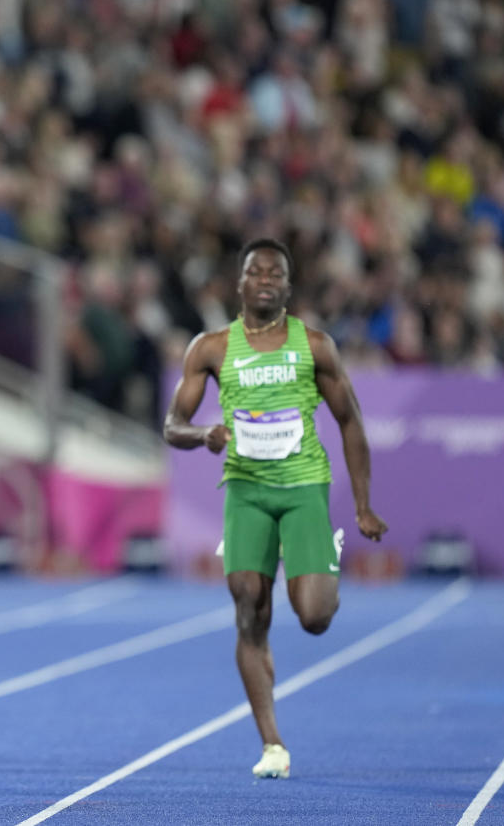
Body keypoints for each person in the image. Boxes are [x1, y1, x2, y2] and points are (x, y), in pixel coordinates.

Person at [163, 237, 388, 778]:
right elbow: (172, 426)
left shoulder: (314, 345)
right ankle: (272, 745)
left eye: (275, 273)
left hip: (303, 484)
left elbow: (351, 420)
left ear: (288, 286)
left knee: (313, 616)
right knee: (248, 607)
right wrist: (203, 436)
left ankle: (319, 561)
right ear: (239, 283)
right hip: (245, 489)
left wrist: (362, 505)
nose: (265, 278)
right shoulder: (212, 348)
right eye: (254, 271)